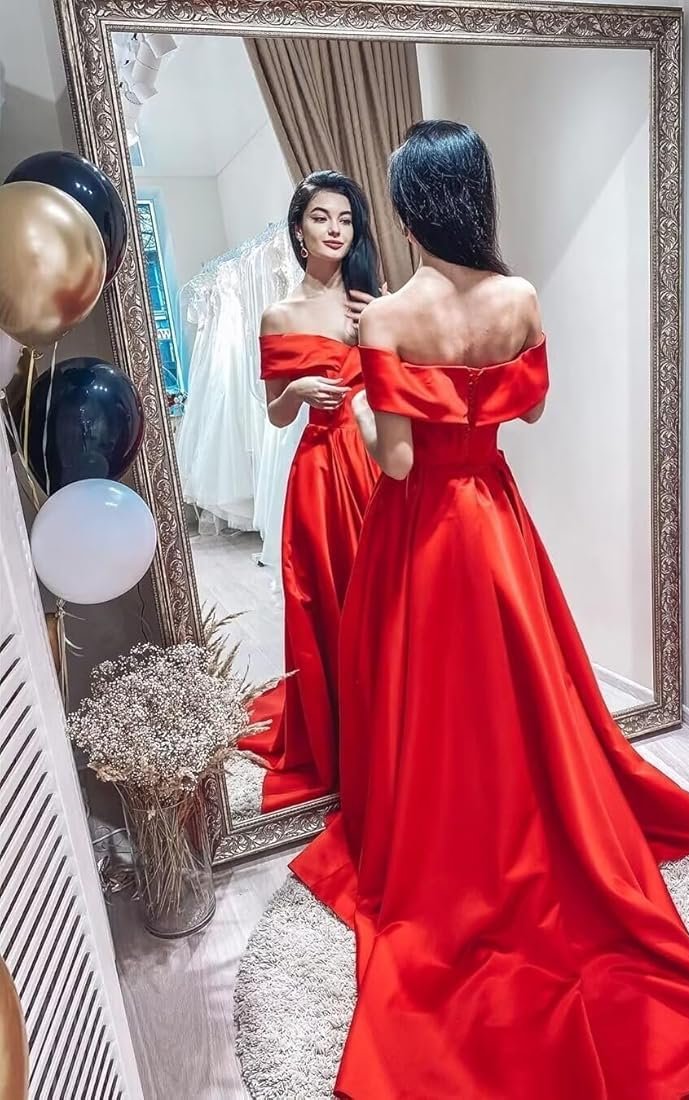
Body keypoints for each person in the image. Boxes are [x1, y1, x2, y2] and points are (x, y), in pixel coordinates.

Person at [291, 123, 689, 1097]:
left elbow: (397, 463)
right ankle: (532, 819)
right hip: (495, 513)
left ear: (408, 207)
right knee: (525, 683)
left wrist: (364, 403)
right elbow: (531, 409)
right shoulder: (519, 296)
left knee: (433, 698)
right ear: (475, 195)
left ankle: (453, 837)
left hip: (423, 529)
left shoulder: (387, 316)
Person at [239, 171, 382, 814]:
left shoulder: (369, 300)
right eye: (322, 217)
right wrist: (296, 391)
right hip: (321, 471)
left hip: (375, 461)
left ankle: (393, 723)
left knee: (384, 597)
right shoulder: (279, 315)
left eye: (346, 219)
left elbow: (400, 384)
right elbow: (275, 415)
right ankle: (345, 733)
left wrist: (376, 325)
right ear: (299, 230)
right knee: (331, 599)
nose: (335, 229)